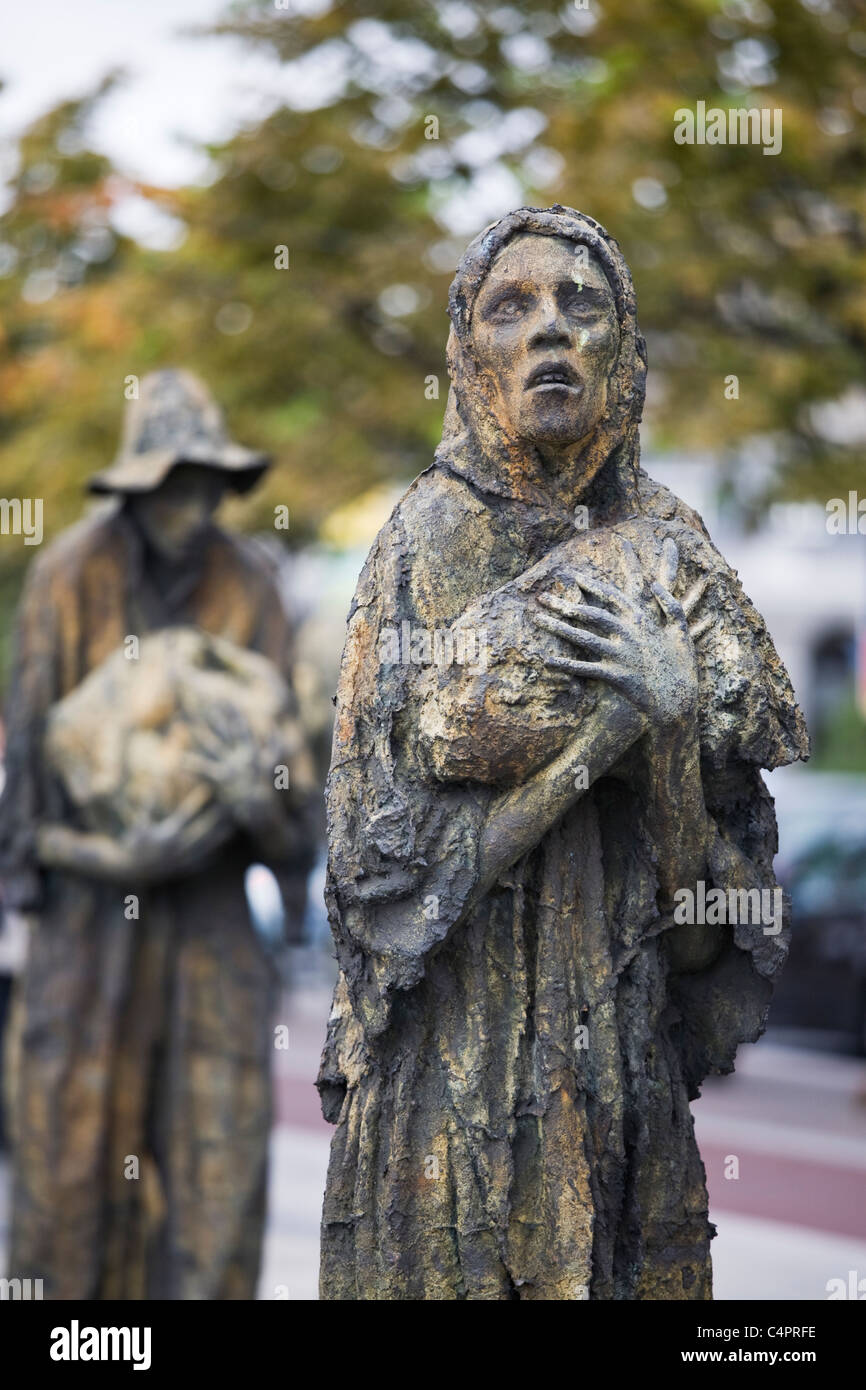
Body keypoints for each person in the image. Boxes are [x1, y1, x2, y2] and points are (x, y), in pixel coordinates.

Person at [317, 206, 809, 1300]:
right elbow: (383, 889)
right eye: (512, 308)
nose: (549, 331)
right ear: (468, 354)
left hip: (619, 1099)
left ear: (622, 353)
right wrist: (597, 742)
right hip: (452, 1102)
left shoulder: (675, 547)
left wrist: (672, 735)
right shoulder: (422, 544)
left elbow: (697, 948)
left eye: (579, 306)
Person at [0, 369, 316, 1299]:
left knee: (218, 1184)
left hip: (214, 929)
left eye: (203, 481)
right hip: (89, 925)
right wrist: (118, 858)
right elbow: (22, 823)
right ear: (135, 486)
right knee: (70, 1179)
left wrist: (256, 804)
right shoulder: (67, 576)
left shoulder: (254, 584)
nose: (190, 501)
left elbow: (295, 818)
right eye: (170, 481)